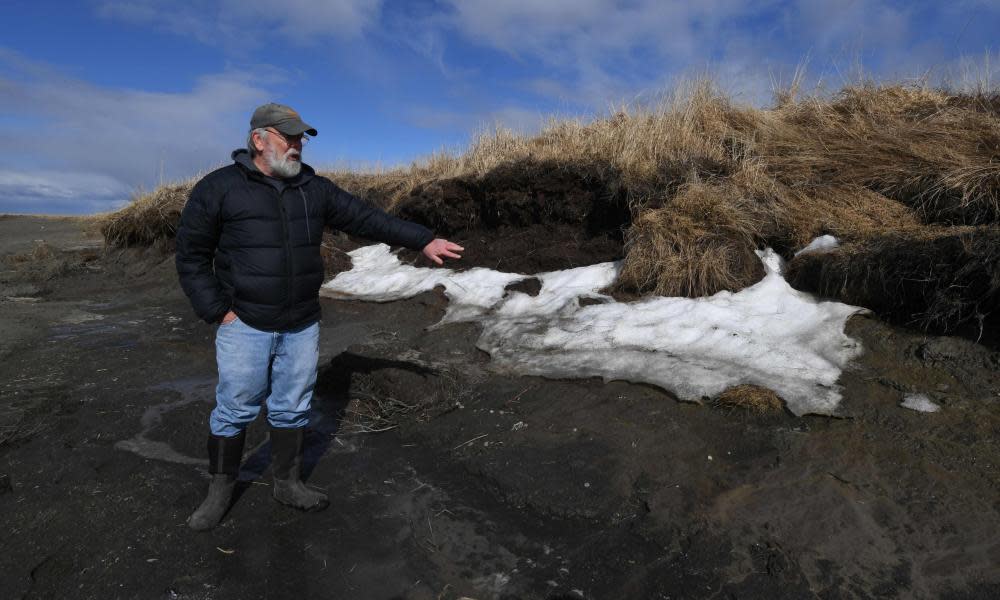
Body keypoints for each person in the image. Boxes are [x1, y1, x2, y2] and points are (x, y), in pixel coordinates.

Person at [175, 103, 463, 531]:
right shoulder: (219, 188)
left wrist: (422, 240)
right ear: (259, 139)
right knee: (235, 408)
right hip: (246, 323)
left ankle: (287, 484)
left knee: (291, 407)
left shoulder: (315, 189)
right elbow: (192, 256)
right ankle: (219, 492)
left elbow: (369, 218)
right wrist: (218, 311)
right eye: (288, 137)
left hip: (301, 323)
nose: (297, 145)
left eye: (300, 138)